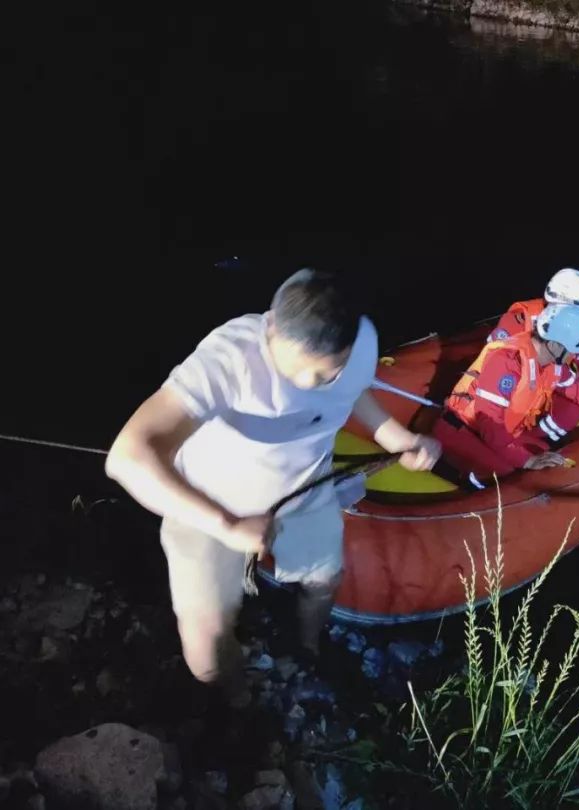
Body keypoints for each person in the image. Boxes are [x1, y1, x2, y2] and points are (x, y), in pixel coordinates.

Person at [105, 269, 441, 706]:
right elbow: (126, 456)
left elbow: (352, 393)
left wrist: (399, 439)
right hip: (209, 503)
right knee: (204, 658)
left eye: (325, 374)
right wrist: (226, 525)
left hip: (304, 490)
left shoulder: (361, 343)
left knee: (323, 582)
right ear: (270, 325)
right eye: (293, 370)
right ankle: (239, 698)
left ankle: (306, 649)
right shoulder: (227, 360)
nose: (305, 385)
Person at [435, 304, 579, 486]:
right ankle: (455, 474)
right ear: (556, 346)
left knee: (549, 454)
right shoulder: (508, 362)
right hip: (462, 429)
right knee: (509, 475)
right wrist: (527, 461)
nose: (573, 357)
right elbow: (489, 423)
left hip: (500, 432)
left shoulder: (549, 367)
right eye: (571, 351)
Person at [487, 268, 579, 444]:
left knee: (572, 411)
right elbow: (492, 370)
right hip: (514, 390)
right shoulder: (516, 322)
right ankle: (517, 444)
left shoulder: (572, 325)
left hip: (549, 384)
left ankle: (534, 439)